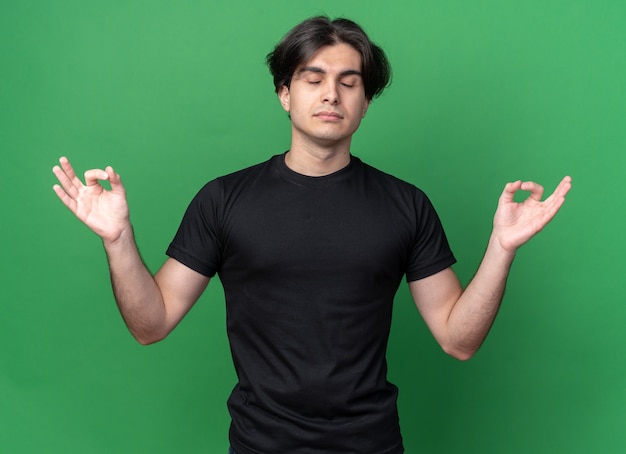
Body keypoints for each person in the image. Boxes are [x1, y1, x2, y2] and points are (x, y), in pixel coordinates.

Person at [52, 16, 571, 454]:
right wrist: (117, 239)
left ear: (366, 102)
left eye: (349, 81)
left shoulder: (405, 205)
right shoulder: (224, 199)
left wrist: (501, 250)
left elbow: (459, 341)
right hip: (259, 444)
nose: (331, 93)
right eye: (313, 77)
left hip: (373, 442)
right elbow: (152, 322)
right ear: (284, 93)